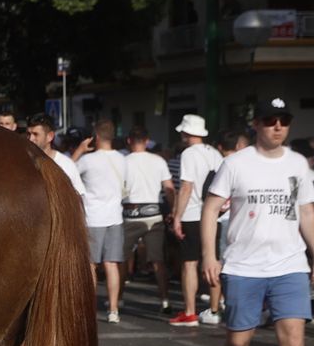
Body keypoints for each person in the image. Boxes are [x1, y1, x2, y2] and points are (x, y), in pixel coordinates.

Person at [201, 98, 314, 346]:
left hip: (290, 264)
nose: (278, 126)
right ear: (256, 124)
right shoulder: (236, 164)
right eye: (270, 120)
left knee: (293, 339)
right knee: (238, 341)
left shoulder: (298, 164)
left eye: (284, 120)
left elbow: (306, 213)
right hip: (243, 266)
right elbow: (210, 209)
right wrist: (211, 255)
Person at [170, 114, 223, 326]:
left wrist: (177, 217)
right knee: (213, 262)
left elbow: (186, 187)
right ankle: (214, 309)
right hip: (214, 214)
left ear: (186, 133)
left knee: (189, 264)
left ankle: (190, 311)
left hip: (192, 214)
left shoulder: (188, 154)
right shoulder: (215, 153)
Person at [78, 122, 127, 322]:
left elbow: (67, 172)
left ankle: (90, 306)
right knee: (112, 264)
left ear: (95, 137)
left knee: (91, 264)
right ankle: (113, 309)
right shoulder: (123, 159)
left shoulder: (88, 160)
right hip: (115, 216)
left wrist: (80, 150)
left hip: (93, 217)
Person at [122, 128, 175, 313]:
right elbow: (169, 189)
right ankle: (165, 300)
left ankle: (117, 298)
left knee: (120, 259)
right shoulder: (158, 160)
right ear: (147, 141)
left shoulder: (123, 161)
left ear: (129, 140)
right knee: (158, 261)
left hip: (130, 214)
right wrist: (174, 211)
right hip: (154, 214)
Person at [25, 114, 86, 195]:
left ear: (50, 136)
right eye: (28, 134)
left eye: (36, 134)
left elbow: (80, 197)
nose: (30, 139)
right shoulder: (23, 162)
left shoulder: (65, 165)